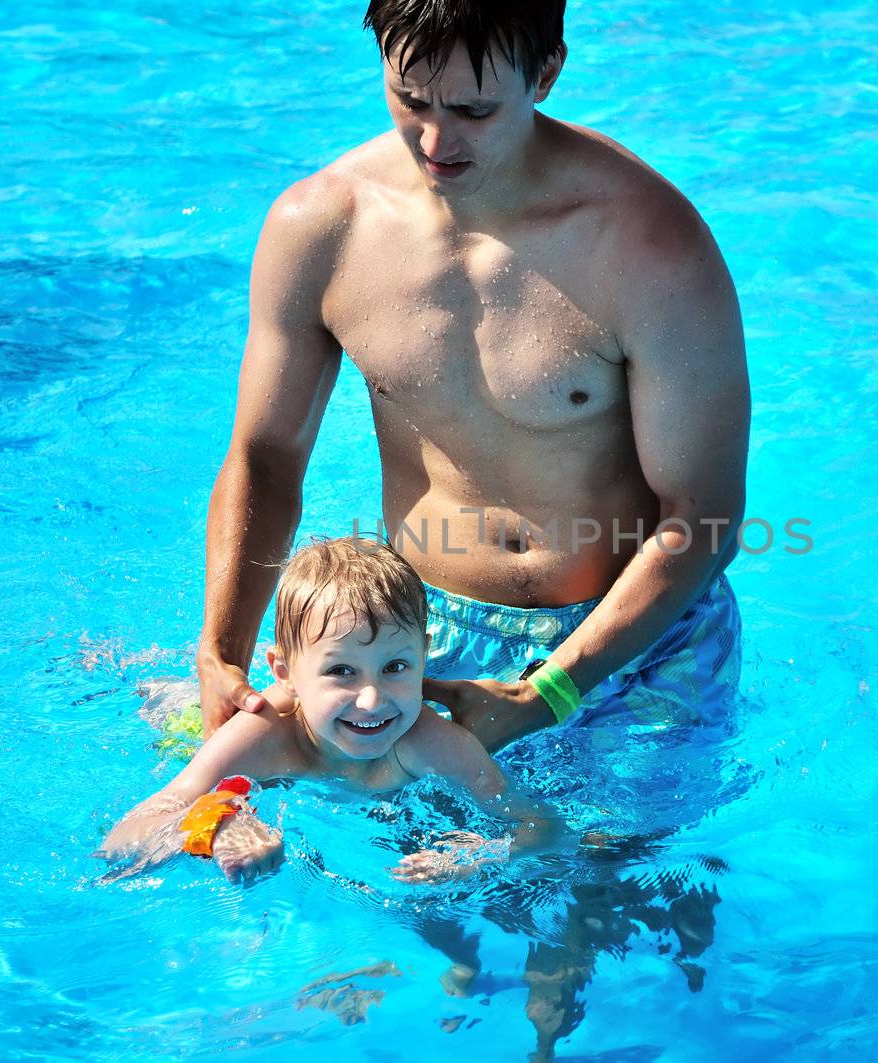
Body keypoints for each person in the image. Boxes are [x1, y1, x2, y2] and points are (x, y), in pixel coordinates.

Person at [198, 0, 749, 751]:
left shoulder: (647, 246)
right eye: (410, 100)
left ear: (546, 72)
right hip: (419, 639)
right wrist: (221, 651)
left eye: (473, 109)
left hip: (637, 643)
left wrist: (549, 689)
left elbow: (705, 516)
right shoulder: (323, 229)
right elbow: (265, 457)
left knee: (615, 868)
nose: (435, 140)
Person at [100, 537, 563, 885]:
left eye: (396, 667)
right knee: (177, 720)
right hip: (220, 731)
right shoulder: (265, 735)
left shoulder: (433, 743)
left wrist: (477, 858)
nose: (372, 699)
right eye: (341, 671)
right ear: (284, 672)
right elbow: (122, 839)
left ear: (425, 655)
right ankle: (130, 675)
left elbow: (542, 827)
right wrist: (216, 828)